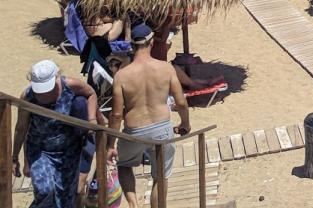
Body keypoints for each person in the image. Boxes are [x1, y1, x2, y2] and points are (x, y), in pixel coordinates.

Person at [110, 26, 188, 208]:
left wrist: (110, 145)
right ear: (151, 42)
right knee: (160, 176)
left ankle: (133, 204)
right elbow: (181, 102)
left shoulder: (121, 76)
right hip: (161, 128)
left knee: (123, 165)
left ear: (132, 46)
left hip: (134, 130)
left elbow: (115, 114)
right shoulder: (166, 68)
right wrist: (185, 123)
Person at [12, 60, 99, 208]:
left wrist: (91, 119)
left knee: (66, 197)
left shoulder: (70, 85)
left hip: (68, 151)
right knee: (45, 191)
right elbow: (21, 127)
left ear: (56, 77)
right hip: (40, 150)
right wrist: (15, 157)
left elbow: (91, 93)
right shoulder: (28, 96)